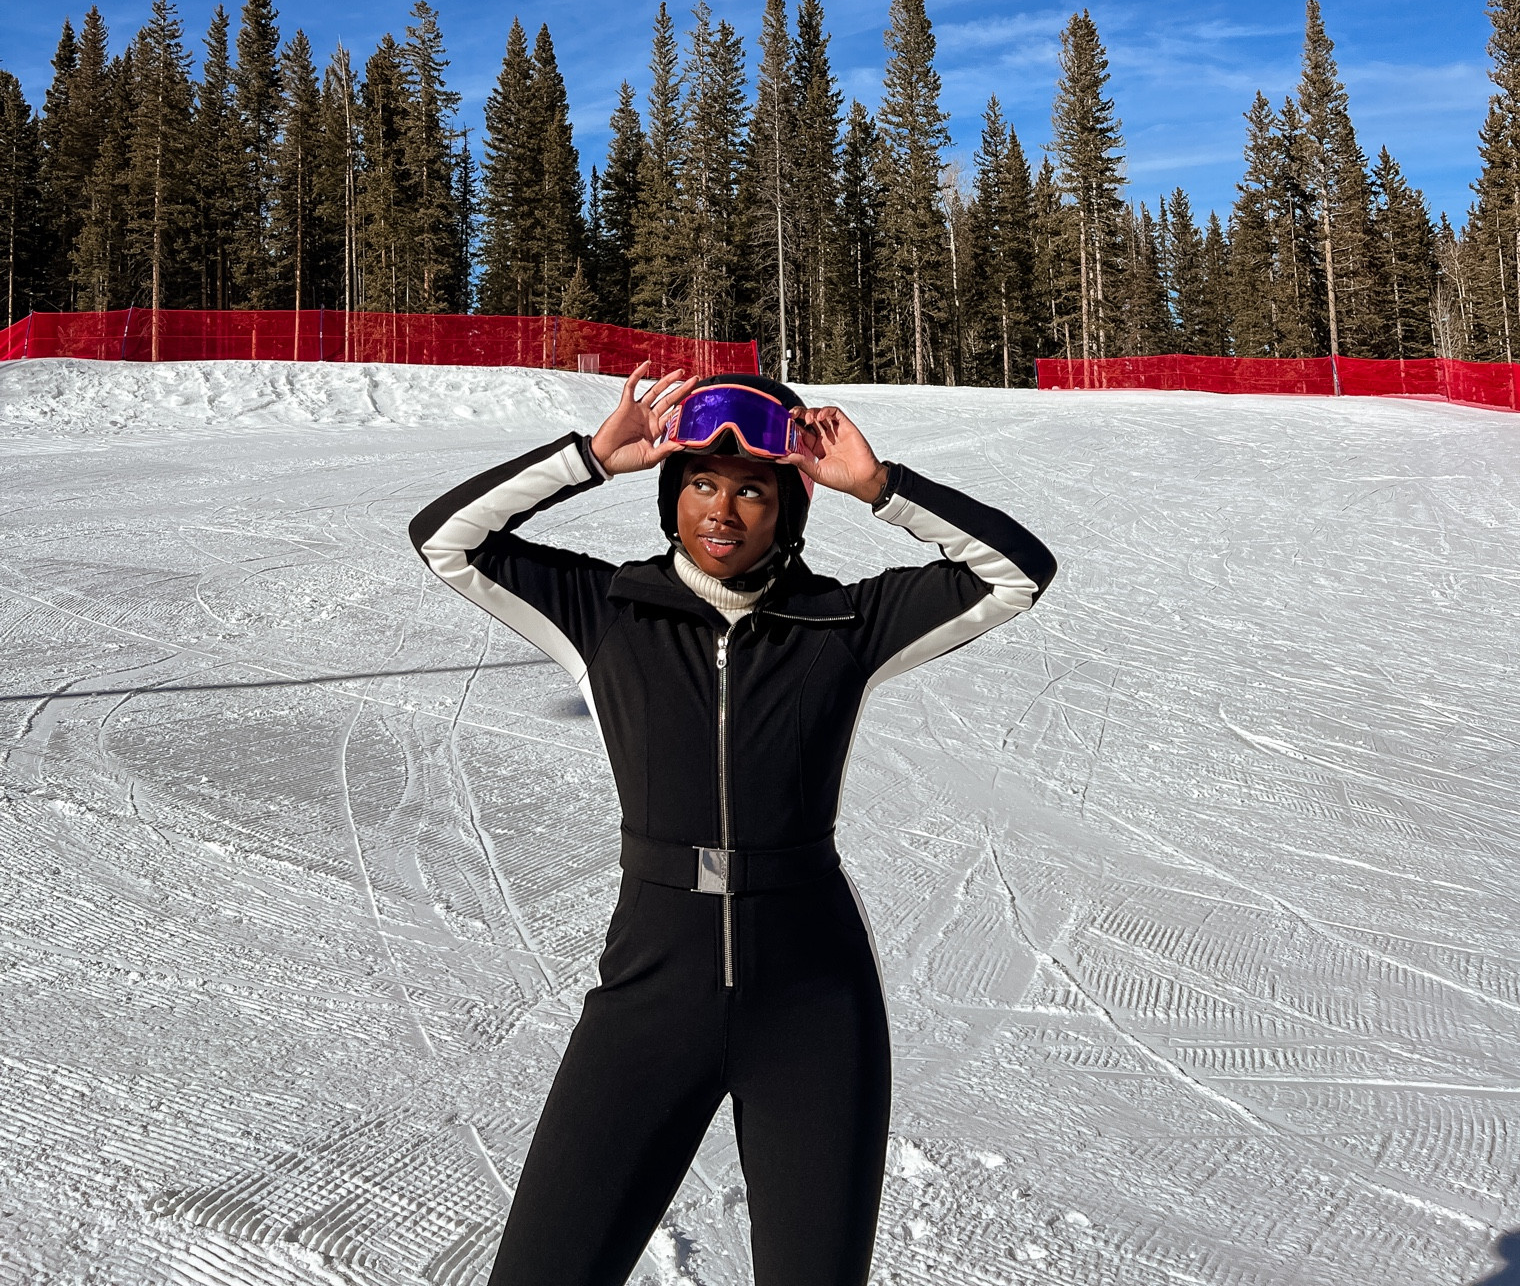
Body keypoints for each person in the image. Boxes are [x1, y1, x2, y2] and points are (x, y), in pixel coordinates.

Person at [409, 365, 1057, 1286]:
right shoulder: (609, 612)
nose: (721, 511)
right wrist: (590, 459)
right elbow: (445, 540)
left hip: (814, 1007)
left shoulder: (844, 623)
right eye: (701, 484)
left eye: (752, 490)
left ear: (787, 510)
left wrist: (878, 486)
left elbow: (1018, 573)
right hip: (651, 997)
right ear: (672, 497)